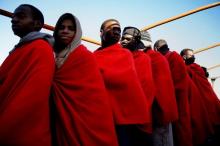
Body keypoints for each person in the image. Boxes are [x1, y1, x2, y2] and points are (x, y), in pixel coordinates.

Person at [51, 13, 118, 146]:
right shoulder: (49, 55)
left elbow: (95, 98)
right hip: (56, 119)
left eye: (71, 28)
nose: (65, 31)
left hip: (85, 121)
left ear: (77, 33)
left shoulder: (85, 57)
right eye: (62, 27)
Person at [0, 4, 55, 146]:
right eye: (13, 17)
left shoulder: (41, 48)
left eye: (21, 16)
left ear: (37, 23)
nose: (14, 20)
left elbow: (34, 95)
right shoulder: (20, 48)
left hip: (21, 132)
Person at [94, 19, 151, 146]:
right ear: (101, 32)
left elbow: (133, 89)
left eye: (118, 29)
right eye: (112, 28)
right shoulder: (93, 56)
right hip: (99, 117)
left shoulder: (125, 55)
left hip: (123, 122)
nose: (116, 32)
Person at [141, 31, 178, 146]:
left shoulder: (149, 58)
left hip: (159, 112)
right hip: (166, 110)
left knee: (161, 140)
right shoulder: (159, 58)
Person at [120, 26, 155, 146]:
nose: (123, 41)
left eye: (128, 38)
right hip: (120, 116)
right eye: (122, 38)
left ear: (136, 41)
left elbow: (146, 89)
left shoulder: (143, 59)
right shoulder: (119, 57)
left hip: (137, 119)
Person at [154, 39, 193, 146]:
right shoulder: (173, 57)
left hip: (177, 100)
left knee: (180, 130)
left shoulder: (172, 57)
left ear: (156, 49)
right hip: (178, 99)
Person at [180, 48, 220, 144]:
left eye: (193, 55)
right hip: (208, 102)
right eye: (192, 55)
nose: (193, 57)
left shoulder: (191, 69)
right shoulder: (197, 69)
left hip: (205, 103)